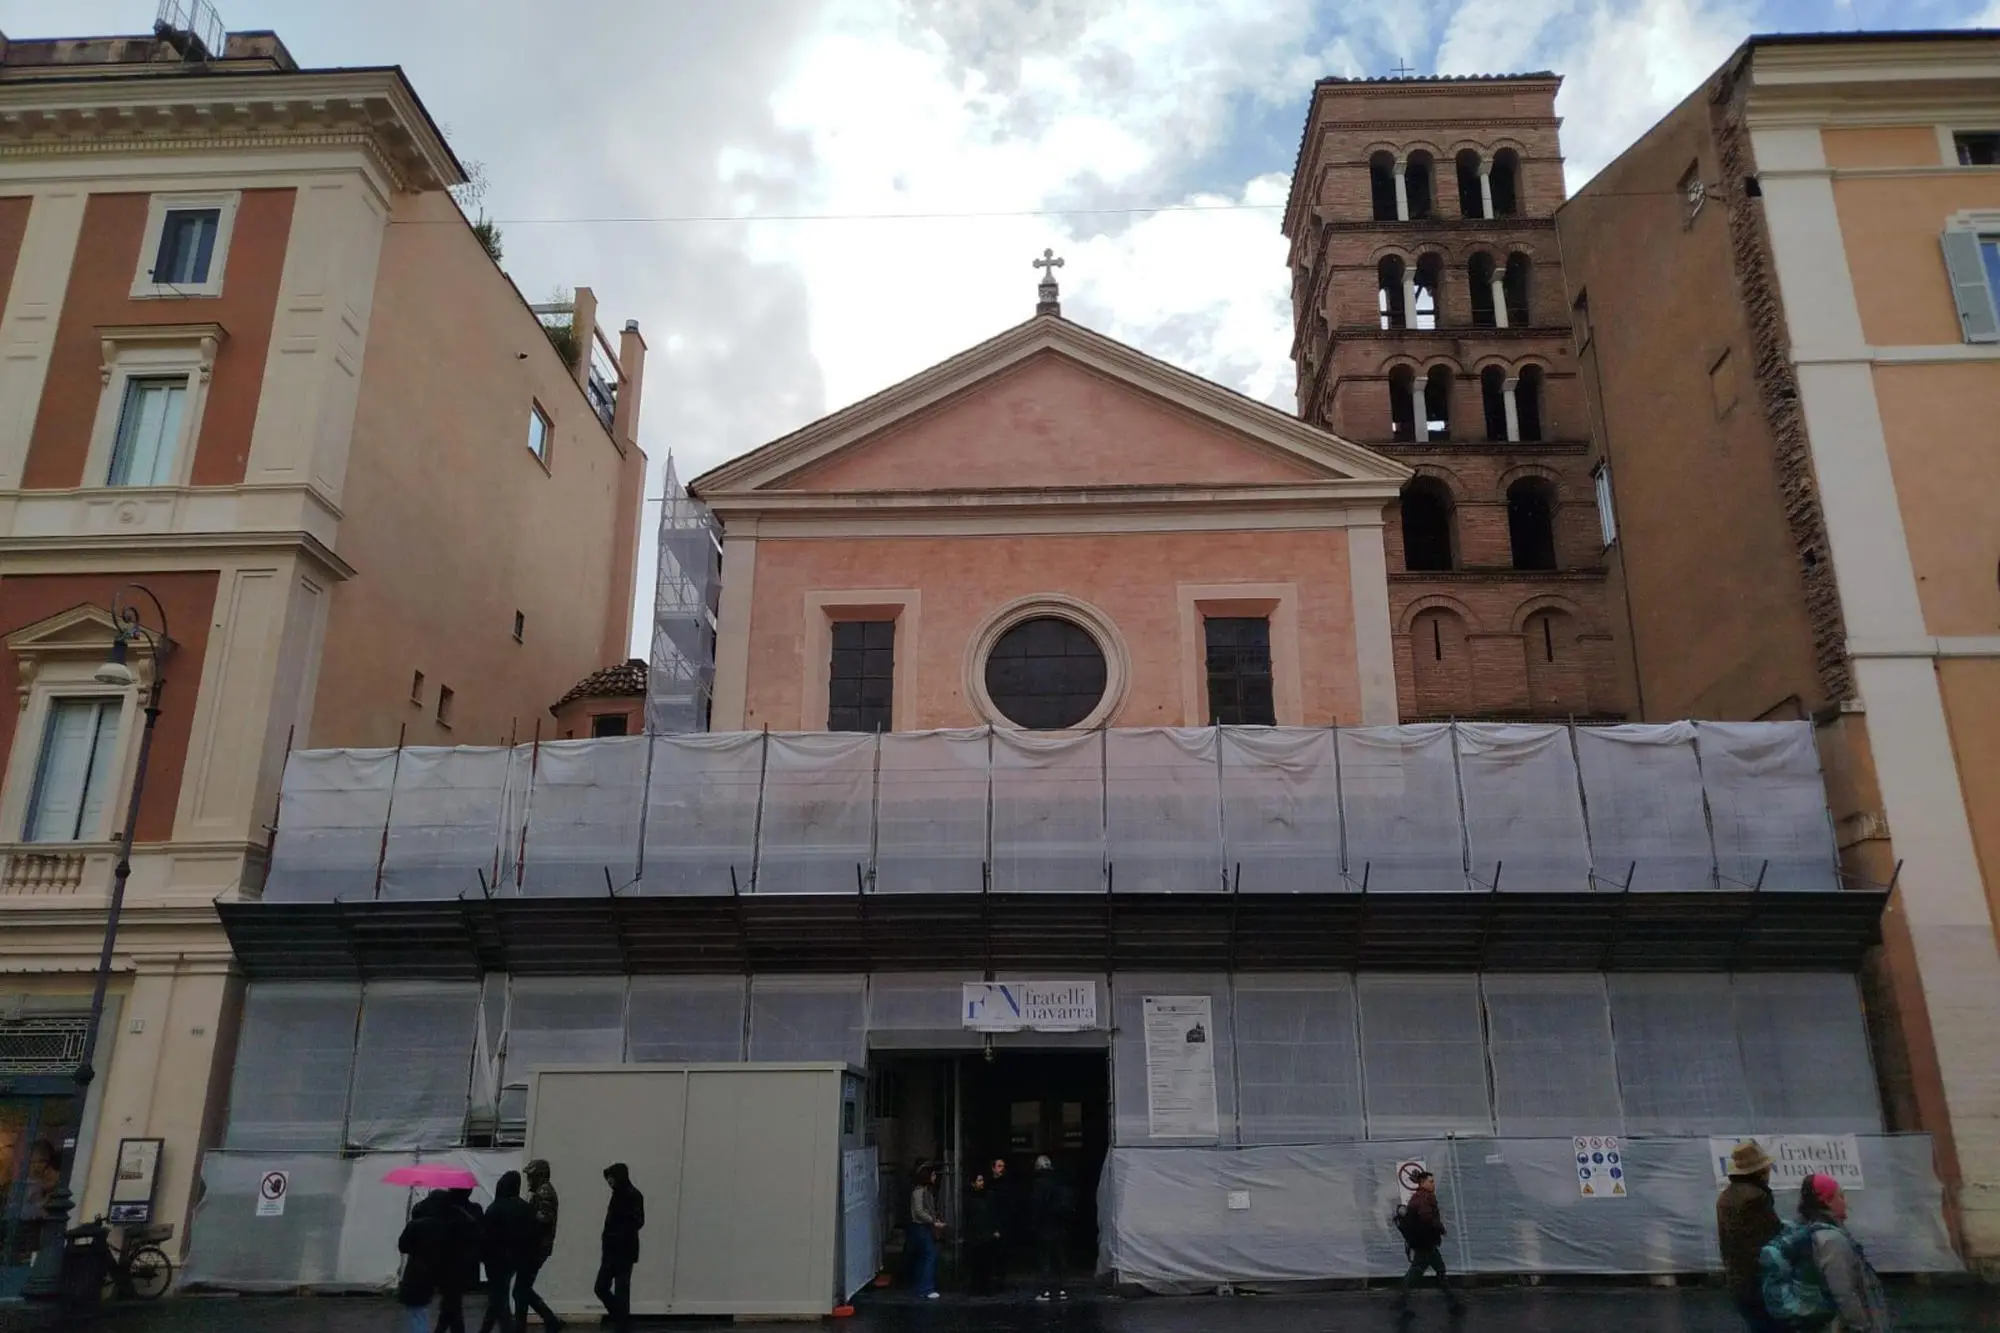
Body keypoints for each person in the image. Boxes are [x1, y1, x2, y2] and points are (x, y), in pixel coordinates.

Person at [1795, 1173, 1891, 1333]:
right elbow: (1843, 1292)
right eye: (1840, 1197)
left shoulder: (1807, 1228)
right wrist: (1862, 1327)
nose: (1845, 1203)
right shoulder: (1832, 1241)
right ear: (1827, 1201)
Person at [1716, 1140, 1785, 1332]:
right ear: (1761, 1171)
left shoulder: (1726, 1196)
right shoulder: (1757, 1197)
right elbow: (1772, 1237)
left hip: (1738, 1279)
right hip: (1760, 1280)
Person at [1394, 1169, 1463, 1318]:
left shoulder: (1417, 1197)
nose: (1433, 1184)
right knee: (1420, 1273)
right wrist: (1440, 1228)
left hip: (1423, 1242)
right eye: (1430, 1182)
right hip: (1426, 1242)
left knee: (1434, 1270)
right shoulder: (1425, 1197)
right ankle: (1401, 1302)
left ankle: (1452, 1303)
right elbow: (1426, 1216)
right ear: (1423, 1182)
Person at [479, 1171, 539, 1333]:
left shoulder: (495, 1208)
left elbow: (486, 1236)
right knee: (498, 1298)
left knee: (498, 1299)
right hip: (518, 1258)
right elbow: (533, 1233)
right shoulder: (525, 1208)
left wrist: (483, 1257)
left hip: (496, 1260)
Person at [515, 1160, 564, 1333]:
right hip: (536, 1247)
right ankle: (549, 1319)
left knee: (521, 1290)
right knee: (522, 1289)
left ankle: (525, 1324)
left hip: (536, 1248)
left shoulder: (544, 1193)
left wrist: (525, 1216)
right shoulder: (541, 1192)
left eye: (531, 1176)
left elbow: (543, 1220)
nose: (529, 1180)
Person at [595, 1163, 645, 1331]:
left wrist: (618, 1233)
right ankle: (622, 1319)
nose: (609, 1182)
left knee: (616, 1289)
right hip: (616, 1250)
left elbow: (638, 1221)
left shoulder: (632, 1196)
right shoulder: (619, 1194)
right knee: (605, 1288)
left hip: (622, 1250)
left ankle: (622, 1322)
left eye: (611, 1178)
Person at [397, 1190, 455, 1333]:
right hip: (434, 1273)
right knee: (420, 1311)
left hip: (414, 1273)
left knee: (416, 1313)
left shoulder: (416, 1224)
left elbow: (403, 1246)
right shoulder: (446, 1225)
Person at [433, 1187, 483, 1333]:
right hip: (467, 1266)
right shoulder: (474, 1210)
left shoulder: (446, 1210)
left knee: (451, 1306)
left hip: (447, 1266)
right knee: (452, 1305)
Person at [1030, 1155, 1072, 1302]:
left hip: (1044, 1227)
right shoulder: (1058, 1182)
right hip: (1059, 1226)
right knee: (1060, 1259)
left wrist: (1034, 1225)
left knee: (1045, 1259)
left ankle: (1045, 1290)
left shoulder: (1039, 1184)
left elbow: (1037, 1207)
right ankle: (1062, 1289)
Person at [964, 1171, 1004, 1295]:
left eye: (982, 1180)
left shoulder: (989, 1196)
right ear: (973, 1183)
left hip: (986, 1232)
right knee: (976, 1262)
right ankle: (976, 1287)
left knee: (987, 1262)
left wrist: (996, 1229)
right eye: (979, 1180)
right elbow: (967, 1216)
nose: (981, 1183)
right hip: (975, 1233)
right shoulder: (969, 1198)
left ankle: (986, 1287)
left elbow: (993, 1213)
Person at [907, 1163, 943, 1300]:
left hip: (923, 1226)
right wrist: (933, 1221)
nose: (935, 1177)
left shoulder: (925, 1191)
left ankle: (921, 1287)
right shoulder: (919, 1192)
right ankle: (926, 1288)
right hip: (921, 1227)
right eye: (933, 1175)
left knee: (924, 1257)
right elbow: (919, 1211)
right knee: (929, 1255)